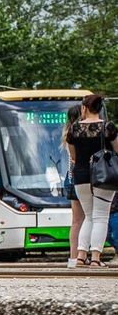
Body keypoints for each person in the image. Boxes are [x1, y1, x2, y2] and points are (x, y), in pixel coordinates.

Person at [65, 93, 117, 268]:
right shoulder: (108, 127)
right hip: (103, 176)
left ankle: (80, 256)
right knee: (101, 217)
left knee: (88, 216)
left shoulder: (74, 129)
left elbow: (73, 156)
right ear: (100, 109)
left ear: (84, 108)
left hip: (80, 176)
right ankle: (95, 258)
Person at [63, 104, 84, 268]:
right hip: (81, 177)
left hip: (70, 178)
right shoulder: (82, 132)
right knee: (88, 218)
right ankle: (82, 256)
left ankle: (73, 257)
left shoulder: (68, 133)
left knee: (76, 221)